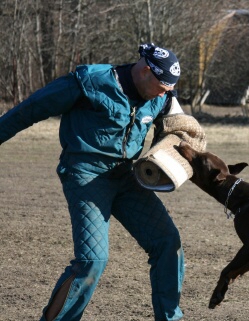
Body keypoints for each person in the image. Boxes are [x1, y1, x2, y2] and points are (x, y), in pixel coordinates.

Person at [0, 43, 188, 321]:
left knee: (167, 242)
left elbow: (182, 130)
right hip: (86, 175)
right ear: (146, 71)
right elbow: (29, 110)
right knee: (92, 260)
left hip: (127, 177)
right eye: (163, 86)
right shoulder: (89, 83)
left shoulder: (162, 96)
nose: (167, 93)